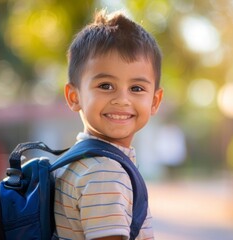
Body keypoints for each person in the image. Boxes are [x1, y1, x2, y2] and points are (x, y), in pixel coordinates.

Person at [53, 9, 163, 240]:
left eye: (136, 88)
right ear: (74, 96)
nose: (122, 99)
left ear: (154, 101)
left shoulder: (77, 162)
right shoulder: (104, 172)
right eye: (105, 85)